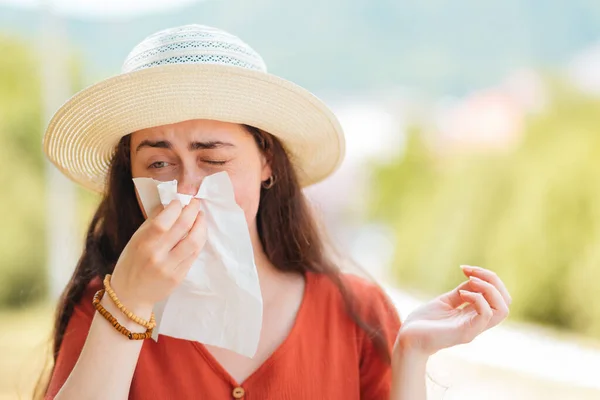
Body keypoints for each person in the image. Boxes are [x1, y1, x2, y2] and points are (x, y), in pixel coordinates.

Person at [37, 24, 511, 400]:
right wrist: (129, 304)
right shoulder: (105, 305)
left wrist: (411, 354)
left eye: (213, 160)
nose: (185, 190)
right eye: (158, 163)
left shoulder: (354, 312)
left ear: (266, 161)